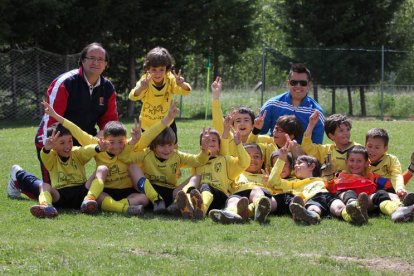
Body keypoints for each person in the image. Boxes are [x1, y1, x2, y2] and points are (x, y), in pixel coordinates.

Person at [13, 42, 118, 200]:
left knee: (80, 188)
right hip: (55, 139)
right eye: (91, 58)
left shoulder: (108, 87)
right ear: (82, 60)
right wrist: (51, 145)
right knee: (57, 195)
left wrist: (104, 137)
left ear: (106, 64)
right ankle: (19, 177)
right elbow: (52, 119)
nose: (96, 62)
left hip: (83, 140)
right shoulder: (65, 82)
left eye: (100, 59)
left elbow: (110, 121)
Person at [20, 123, 107, 218]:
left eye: (70, 141)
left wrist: (98, 148)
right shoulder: (51, 158)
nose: (68, 146)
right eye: (62, 143)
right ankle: (46, 206)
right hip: (60, 196)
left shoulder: (76, 152)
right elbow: (44, 155)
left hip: (83, 193)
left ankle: (89, 200)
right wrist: (46, 148)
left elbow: (86, 150)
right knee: (44, 185)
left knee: (102, 169)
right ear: (53, 146)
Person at [129, 46, 191, 142]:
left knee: (172, 148)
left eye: (161, 69)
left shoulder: (171, 79)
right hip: (148, 124)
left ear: (167, 69)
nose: (158, 73)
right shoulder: (145, 80)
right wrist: (141, 88)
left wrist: (181, 84)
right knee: (148, 152)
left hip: (167, 123)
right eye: (154, 70)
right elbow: (133, 96)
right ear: (148, 69)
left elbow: (185, 91)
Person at [259, 63, 325, 144]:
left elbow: (316, 146)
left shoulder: (316, 112)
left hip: (302, 155)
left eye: (303, 83)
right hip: (274, 154)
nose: (298, 86)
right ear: (288, 83)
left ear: (309, 85)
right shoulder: (272, 104)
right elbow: (258, 133)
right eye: (294, 82)